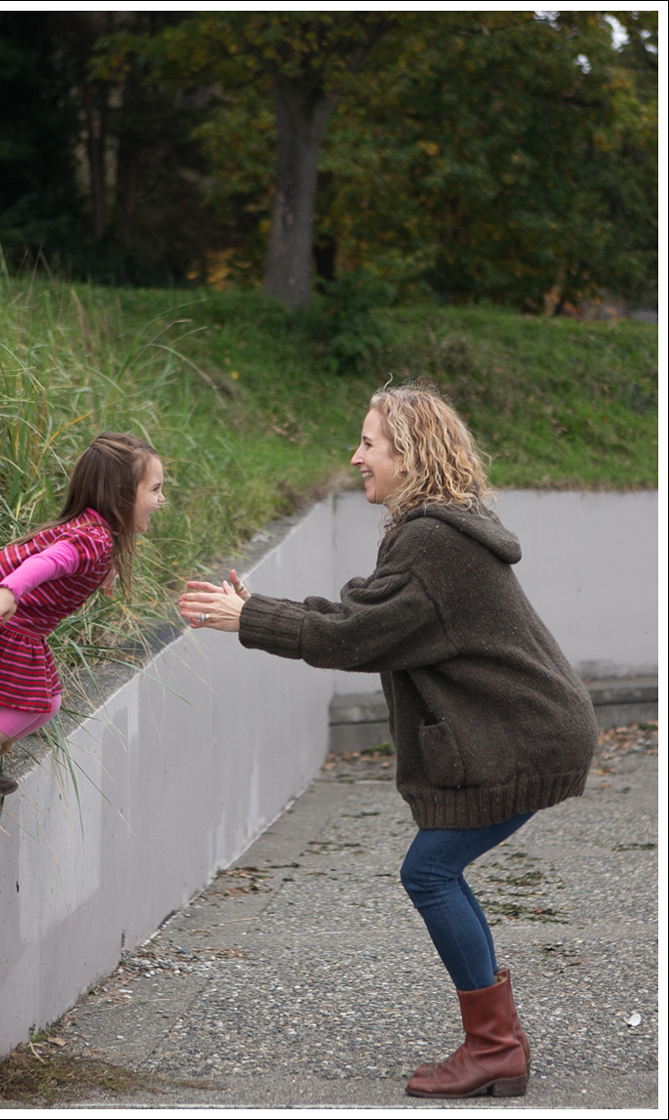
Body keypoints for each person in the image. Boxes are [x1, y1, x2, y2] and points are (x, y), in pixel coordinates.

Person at [178, 384, 597, 1100]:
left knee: (430, 873)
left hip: (527, 738)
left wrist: (246, 621)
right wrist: (255, 609)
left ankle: (496, 1048)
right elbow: (369, 618)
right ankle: (498, 1046)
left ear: (407, 454)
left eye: (369, 443)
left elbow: (353, 635)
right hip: (536, 727)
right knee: (436, 871)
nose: (356, 457)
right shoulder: (437, 532)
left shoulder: (432, 541)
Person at [0, 432, 165, 804]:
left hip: (19, 626)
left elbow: (67, 559)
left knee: (47, 703)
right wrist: (8, 591)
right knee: (31, 703)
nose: (161, 500)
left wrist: (106, 572)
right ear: (121, 494)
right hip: (2, 619)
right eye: (155, 489)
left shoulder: (96, 533)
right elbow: (47, 562)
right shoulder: (92, 540)